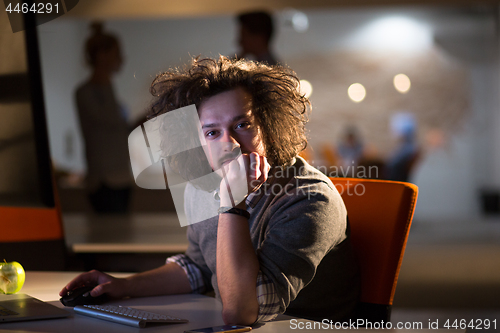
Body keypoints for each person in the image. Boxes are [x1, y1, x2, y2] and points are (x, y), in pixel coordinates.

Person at [61, 56, 360, 325]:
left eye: (243, 124)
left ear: (269, 125)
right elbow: (199, 267)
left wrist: (232, 202)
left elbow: (242, 311)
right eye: (212, 132)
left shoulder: (309, 199)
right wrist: (122, 286)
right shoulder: (205, 183)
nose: (228, 144)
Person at [75, 22, 133, 214]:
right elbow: (109, 121)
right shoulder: (87, 93)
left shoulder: (107, 93)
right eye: (116, 54)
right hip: (104, 181)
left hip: (119, 178)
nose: (121, 60)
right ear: (102, 56)